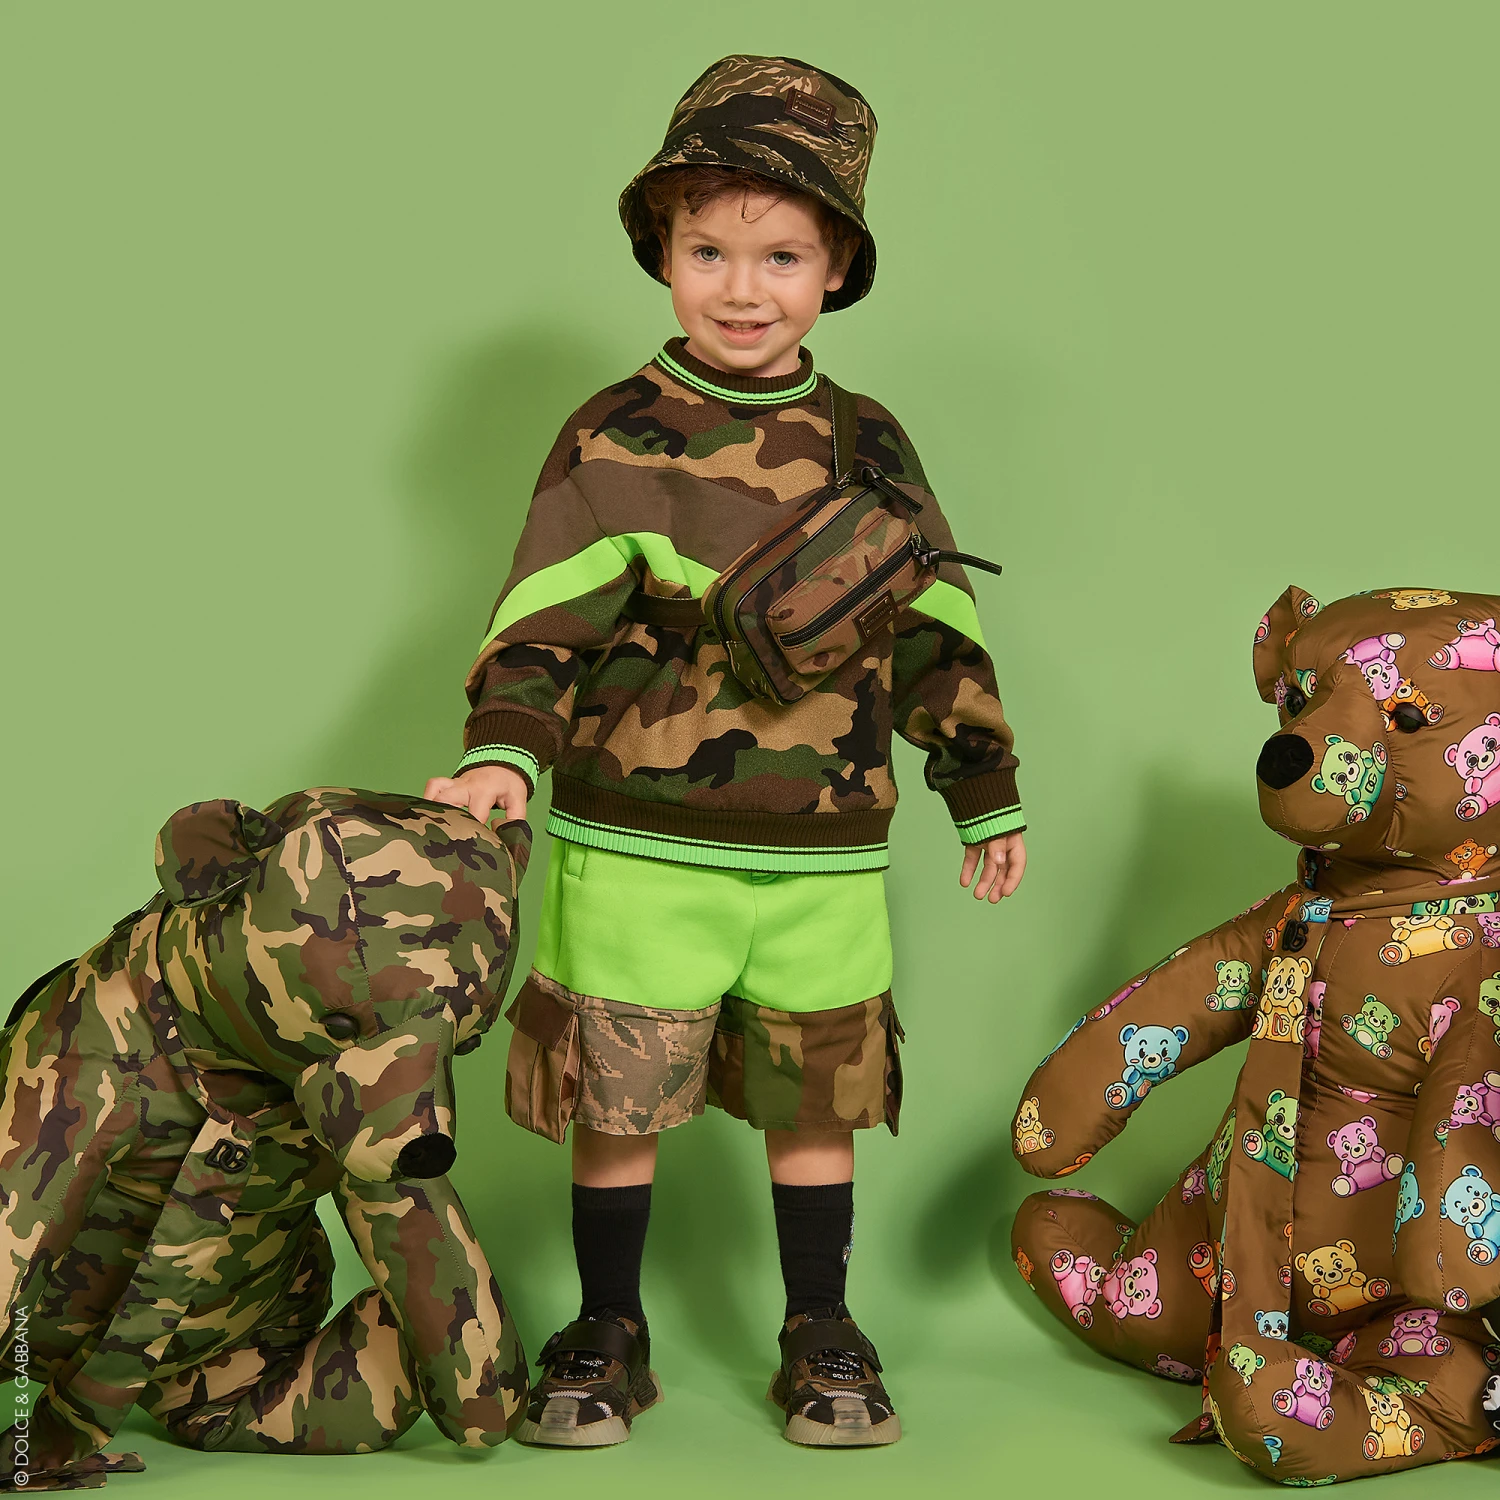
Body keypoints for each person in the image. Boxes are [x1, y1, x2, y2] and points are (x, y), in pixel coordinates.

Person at [425, 54, 1027, 1449]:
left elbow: (935, 622)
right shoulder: (613, 435)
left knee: (815, 1096)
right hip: (637, 841)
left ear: (838, 269)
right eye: (709, 251)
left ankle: (820, 1322)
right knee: (619, 1096)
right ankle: (609, 1325)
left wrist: (982, 786)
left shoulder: (869, 441)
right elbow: (543, 617)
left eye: (782, 256)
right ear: (663, 251)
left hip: (825, 851)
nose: (742, 288)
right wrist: (506, 752)